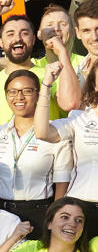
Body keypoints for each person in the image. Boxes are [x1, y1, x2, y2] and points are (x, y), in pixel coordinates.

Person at [0, 71, 71, 235]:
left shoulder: (55, 132)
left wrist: (55, 218)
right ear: (6, 96)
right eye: (12, 91)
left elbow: (62, 185)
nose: (19, 97)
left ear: (38, 95)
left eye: (27, 91)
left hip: (37, 213)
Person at [0, 0, 79, 127]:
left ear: (34, 39)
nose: (18, 38)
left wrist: (62, 52)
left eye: (24, 33)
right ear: (0, 42)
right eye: (10, 34)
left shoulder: (52, 75)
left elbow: (70, 103)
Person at [33, 60, 98, 239]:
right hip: (82, 208)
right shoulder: (80, 118)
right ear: (94, 83)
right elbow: (42, 132)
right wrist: (46, 86)